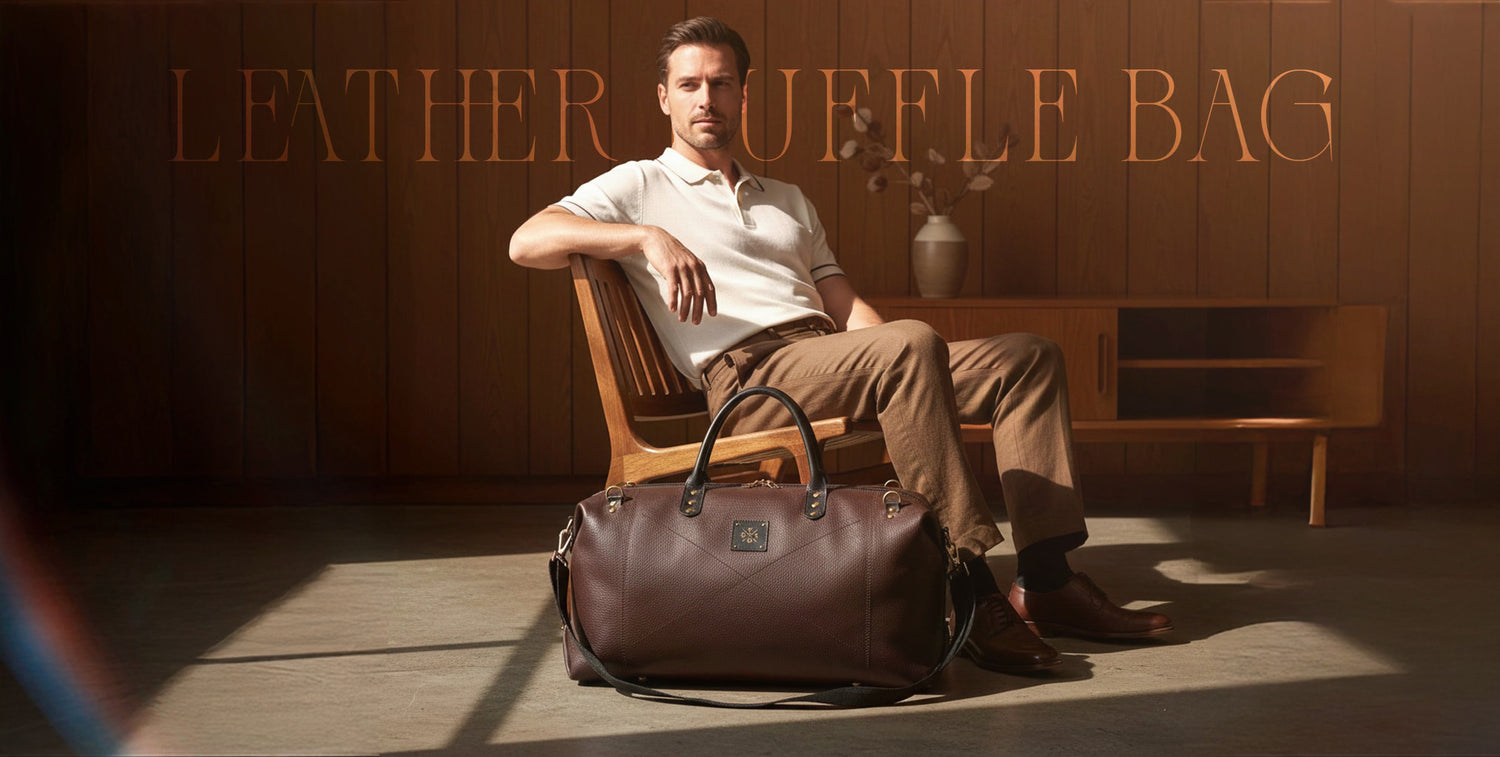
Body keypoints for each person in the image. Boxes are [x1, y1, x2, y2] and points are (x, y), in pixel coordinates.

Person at [510, 16, 1171, 673]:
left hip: (831, 358)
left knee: (1026, 357)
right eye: (689, 85)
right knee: (907, 347)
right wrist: (645, 237)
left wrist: (916, 358)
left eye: (720, 83)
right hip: (753, 384)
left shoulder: (788, 200)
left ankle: (1047, 578)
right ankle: (969, 586)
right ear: (665, 97)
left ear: (744, 93)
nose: (705, 99)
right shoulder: (639, 184)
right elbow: (527, 240)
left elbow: (847, 309)